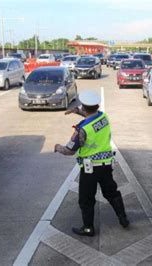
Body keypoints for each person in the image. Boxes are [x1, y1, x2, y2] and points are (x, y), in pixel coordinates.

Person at [54, 90, 129, 237]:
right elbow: (92, 117)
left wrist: (58, 147)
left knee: (86, 198)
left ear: (83, 106)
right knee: (111, 192)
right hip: (106, 165)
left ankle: (88, 228)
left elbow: (70, 150)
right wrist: (77, 112)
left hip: (90, 170)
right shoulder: (103, 117)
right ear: (97, 105)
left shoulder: (82, 130)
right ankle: (123, 218)